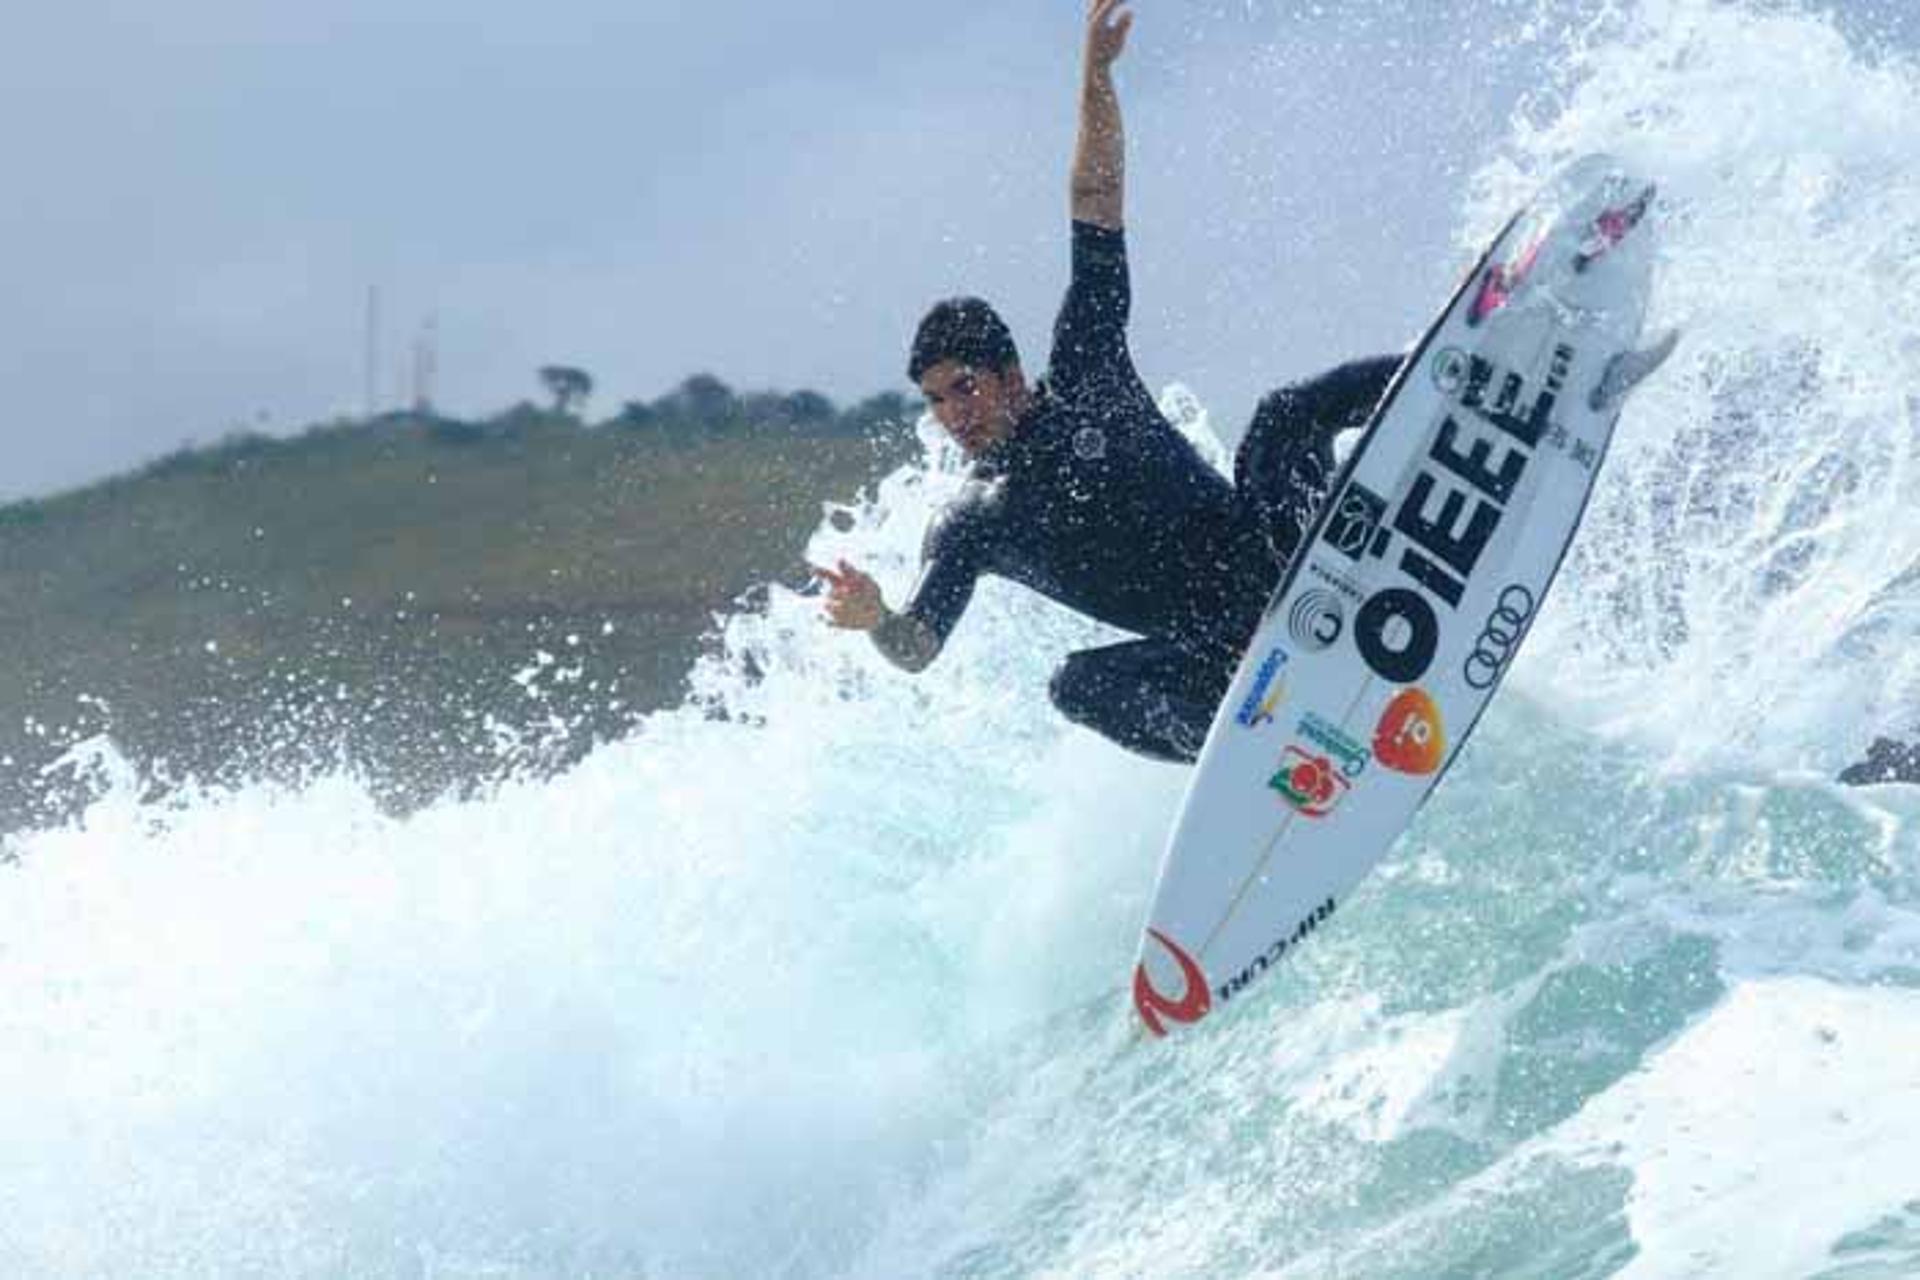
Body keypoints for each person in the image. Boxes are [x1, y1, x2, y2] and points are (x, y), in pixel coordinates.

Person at [816, 0, 1397, 762]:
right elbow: (919, 646)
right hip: (1228, 665)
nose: (953, 414)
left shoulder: (1088, 371)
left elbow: (1095, 204)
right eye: (935, 401)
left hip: (1285, 554)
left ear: (1010, 375)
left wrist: (1095, 75)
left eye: (964, 387)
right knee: (1076, 686)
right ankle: (1258, 761)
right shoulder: (974, 522)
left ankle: (1458, 374)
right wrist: (878, 620)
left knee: (1282, 414)